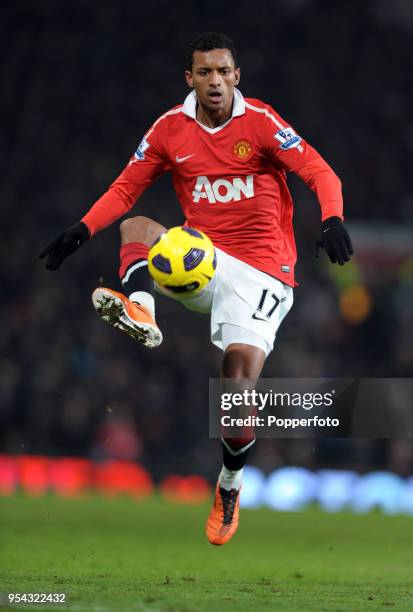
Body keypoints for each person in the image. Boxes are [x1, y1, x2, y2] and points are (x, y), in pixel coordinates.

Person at [39, 32, 353, 545]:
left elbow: (319, 171)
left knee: (235, 388)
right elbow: (125, 187)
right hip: (200, 259)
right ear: (191, 78)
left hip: (263, 272)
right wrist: (81, 229)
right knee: (136, 227)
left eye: (222, 71)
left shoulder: (261, 123)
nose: (214, 81)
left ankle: (229, 483)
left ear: (236, 76)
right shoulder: (170, 129)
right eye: (204, 72)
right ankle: (141, 309)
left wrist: (333, 219)